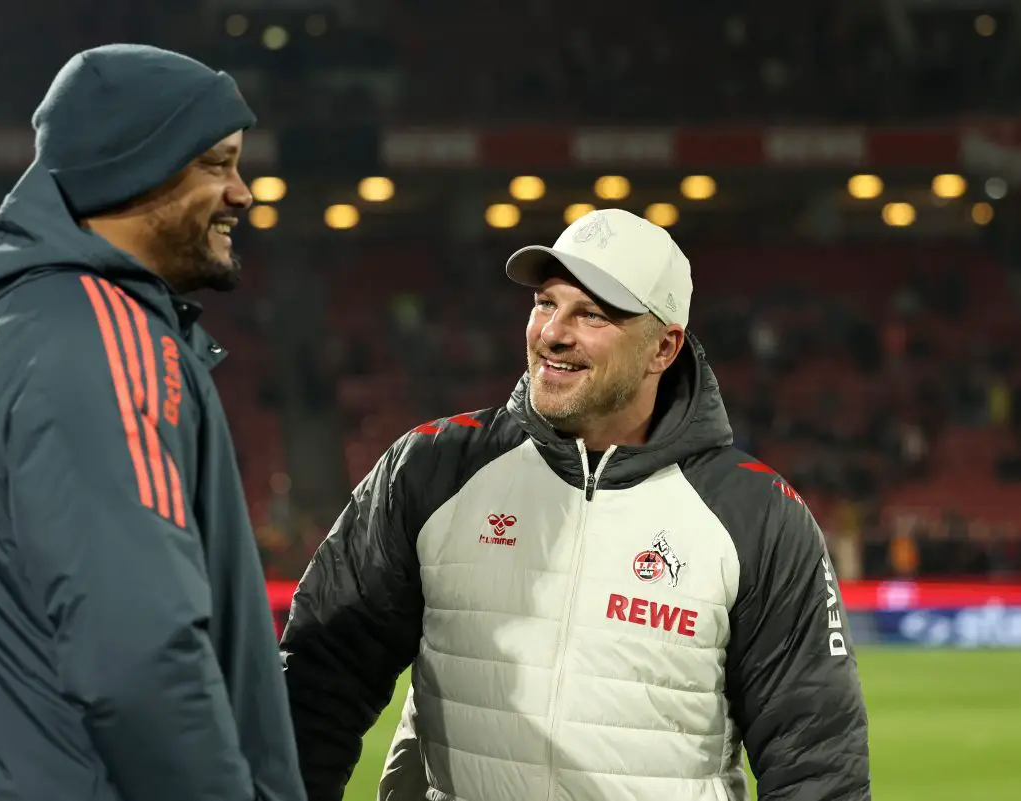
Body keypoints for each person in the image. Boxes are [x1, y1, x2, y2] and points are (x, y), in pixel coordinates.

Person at [280, 209, 871, 801]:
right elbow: (316, 682)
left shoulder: (758, 515)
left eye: (590, 314)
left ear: (662, 348)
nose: (552, 333)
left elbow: (817, 759)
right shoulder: (433, 467)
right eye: (545, 303)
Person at [0, 44, 305, 801]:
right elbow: (140, 650)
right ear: (139, 167)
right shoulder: (93, 334)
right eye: (217, 164)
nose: (242, 194)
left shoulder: (26, 323)